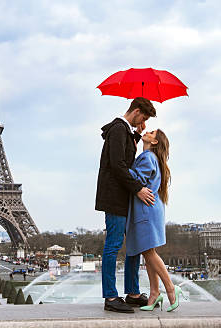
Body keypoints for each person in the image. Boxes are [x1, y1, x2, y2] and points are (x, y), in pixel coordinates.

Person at [95, 97, 156, 313]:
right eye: (144, 117)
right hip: (115, 196)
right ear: (137, 111)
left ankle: (132, 293)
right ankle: (111, 297)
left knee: (132, 246)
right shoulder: (119, 130)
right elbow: (119, 165)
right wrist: (139, 188)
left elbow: (126, 158)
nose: (145, 121)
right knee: (113, 245)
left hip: (122, 195)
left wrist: (138, 134)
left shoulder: (124, 131)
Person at [126, 129, 186, 312]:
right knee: (148, 252)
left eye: (151, 132)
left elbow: (137, 179)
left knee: (149, 253)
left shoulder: (147, 158)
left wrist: (119, 166)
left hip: (145, 211)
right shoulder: (150, 158)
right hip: (150, 210)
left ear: (155, 142)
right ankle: (154, 293)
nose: (147, 131)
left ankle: (170, 287)